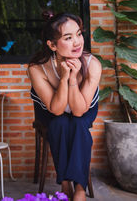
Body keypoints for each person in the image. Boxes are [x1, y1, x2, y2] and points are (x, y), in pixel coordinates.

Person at [27, 11, 101, 201]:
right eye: (68, 38)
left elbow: (78, 111)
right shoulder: (37, 68)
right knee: (60, 123)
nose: (77, 42)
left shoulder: (93, 64)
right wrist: (65, 77)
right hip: (50, 112)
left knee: (78, 124)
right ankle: (67, 183)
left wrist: (73, 81)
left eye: (78, 34)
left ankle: (78, 188)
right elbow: (57, 110)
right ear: (52, 45)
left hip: (82, 108)